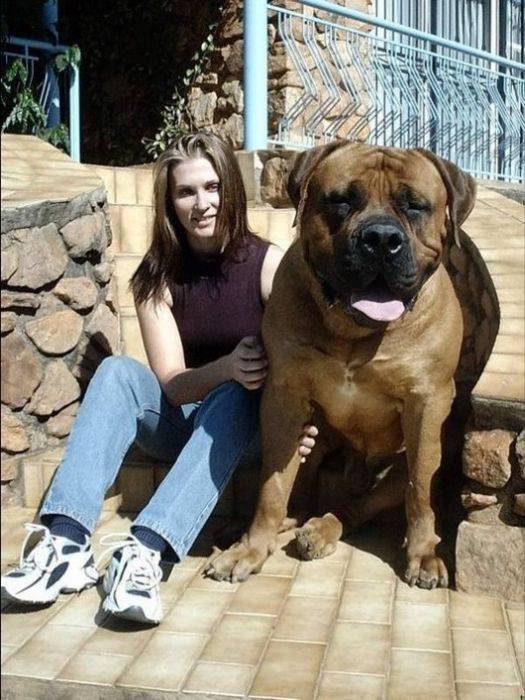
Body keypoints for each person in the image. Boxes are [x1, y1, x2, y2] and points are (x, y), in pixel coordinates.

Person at [1, 132, 317, 625]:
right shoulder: (155, 275)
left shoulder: (268, 264)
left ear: (231, 188)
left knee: (234, 395)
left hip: (248, 429)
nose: (202, 204)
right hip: (183, 422)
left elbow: (309, 358)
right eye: (185, 192)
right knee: (116, 371)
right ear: (170, 202)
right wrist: (227, 367)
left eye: (212, 187)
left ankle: (145, 550)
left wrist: (303, 421)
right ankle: (65, 541)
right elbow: (171, 383)